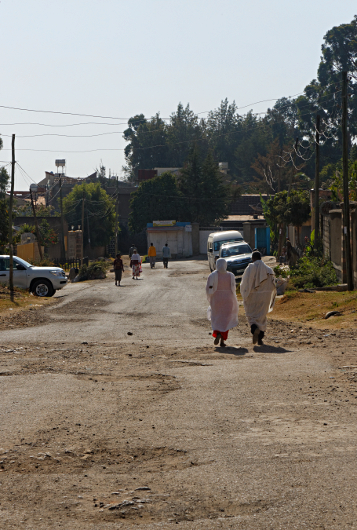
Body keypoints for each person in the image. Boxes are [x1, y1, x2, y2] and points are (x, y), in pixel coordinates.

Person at [240, 251, 276, 345]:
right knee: (261, 317)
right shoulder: (269, 270)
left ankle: (254, 329)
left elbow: (244, 283)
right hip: (264, 298)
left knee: (251, 316)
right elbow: (273, 284)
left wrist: (244, 293)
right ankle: (260, 338)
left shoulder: (250, 268)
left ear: (253, 258)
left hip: (252, 297)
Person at [206, 258, 239, 348]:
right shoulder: (231, 275)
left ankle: (217, 334)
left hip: (217, 300)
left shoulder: (212, 275)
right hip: (228, 300)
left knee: (217, 318)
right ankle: (222, 340)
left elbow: (208, 289)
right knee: (226, 320)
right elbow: (233, 288)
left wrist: (210, 298)